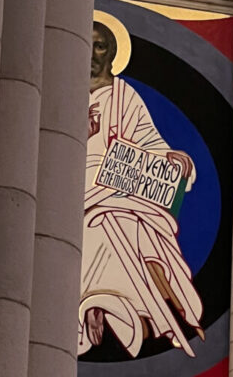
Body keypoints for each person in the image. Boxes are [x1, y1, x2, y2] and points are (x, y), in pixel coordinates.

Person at [81, 21, 203, 359]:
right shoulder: (56, 90)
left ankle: (114, 303)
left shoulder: (124, 96)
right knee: (97, 218)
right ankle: (99, 303)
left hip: (115, 185)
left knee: (122, 218)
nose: (92, 53)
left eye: (101, 45)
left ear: (112, 54)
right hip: (67, 183)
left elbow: (149, 144)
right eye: (87, 43)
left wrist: (174, 160)